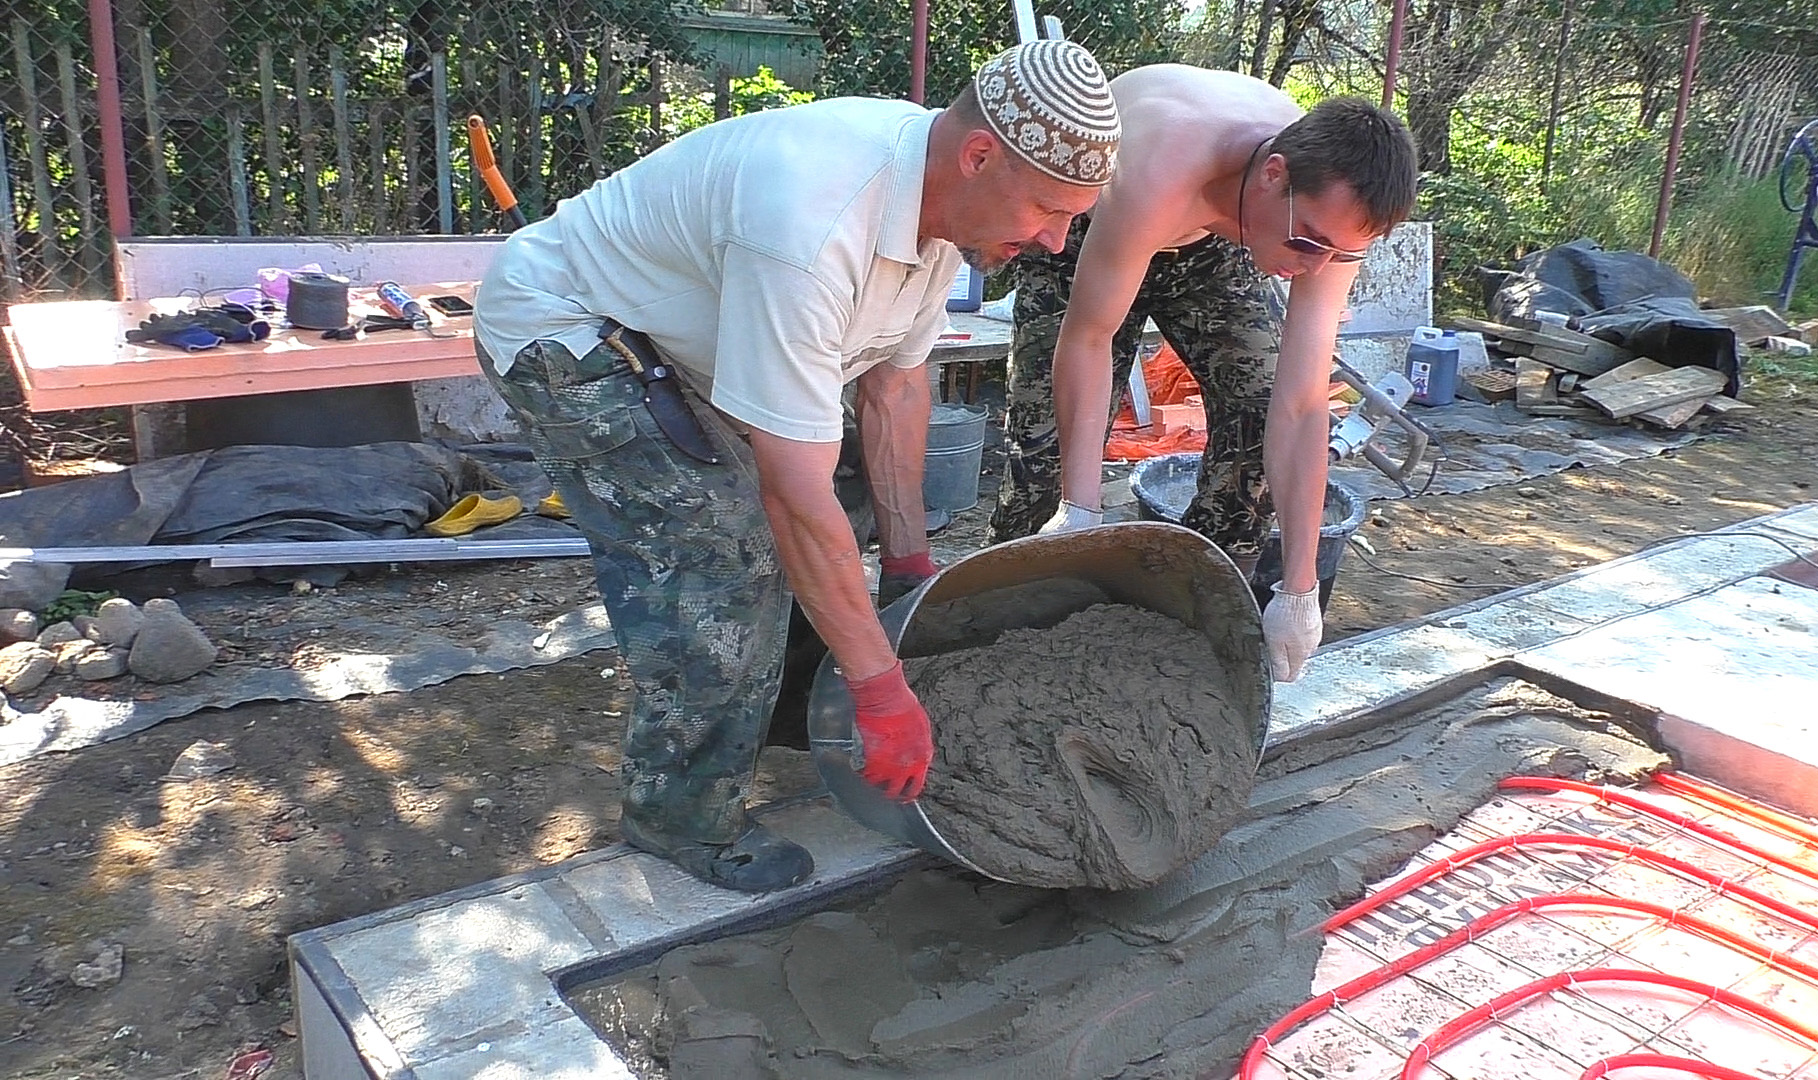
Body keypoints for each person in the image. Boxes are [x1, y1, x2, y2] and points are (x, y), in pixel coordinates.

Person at [471, 41, 1120, 893]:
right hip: (563, 328)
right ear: (978, 154)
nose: (1053, 238)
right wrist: (885, 691)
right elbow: (791, 491)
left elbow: (894, 391)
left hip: (674, 338)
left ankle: (785, 710)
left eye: (1073, 219)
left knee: (824, 532)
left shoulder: (942, 213)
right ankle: (679, 817)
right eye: (1046, 209)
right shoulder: (814, 222)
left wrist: (910, 569)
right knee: (724, 553)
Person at [985, 66, 1418, 683]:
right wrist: (1080, 508)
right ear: (1274, 175)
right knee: (1045, 454)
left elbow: (1299, 406)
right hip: (1100, 223)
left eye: (1339, 254)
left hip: (1220, 237)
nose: (1318, 265)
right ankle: (1000, 630)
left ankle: (1186, 624)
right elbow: (1088, 337)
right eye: (1309, 245)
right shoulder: (1165, 159)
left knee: (1257, 405)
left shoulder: (1322, 220)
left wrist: (1299, 589)